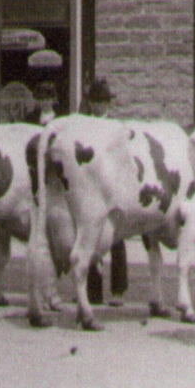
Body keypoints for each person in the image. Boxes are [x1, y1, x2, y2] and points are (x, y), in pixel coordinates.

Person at [83, 77, 127, 305]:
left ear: (108, 104)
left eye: (102, 101)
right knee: (91, 237)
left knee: (116, 238)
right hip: (91, 186)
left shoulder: (115, 127)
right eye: (94, 101)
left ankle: (118, 290)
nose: (98, 106)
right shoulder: (84, 125)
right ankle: (93, 292)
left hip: (112, 186)